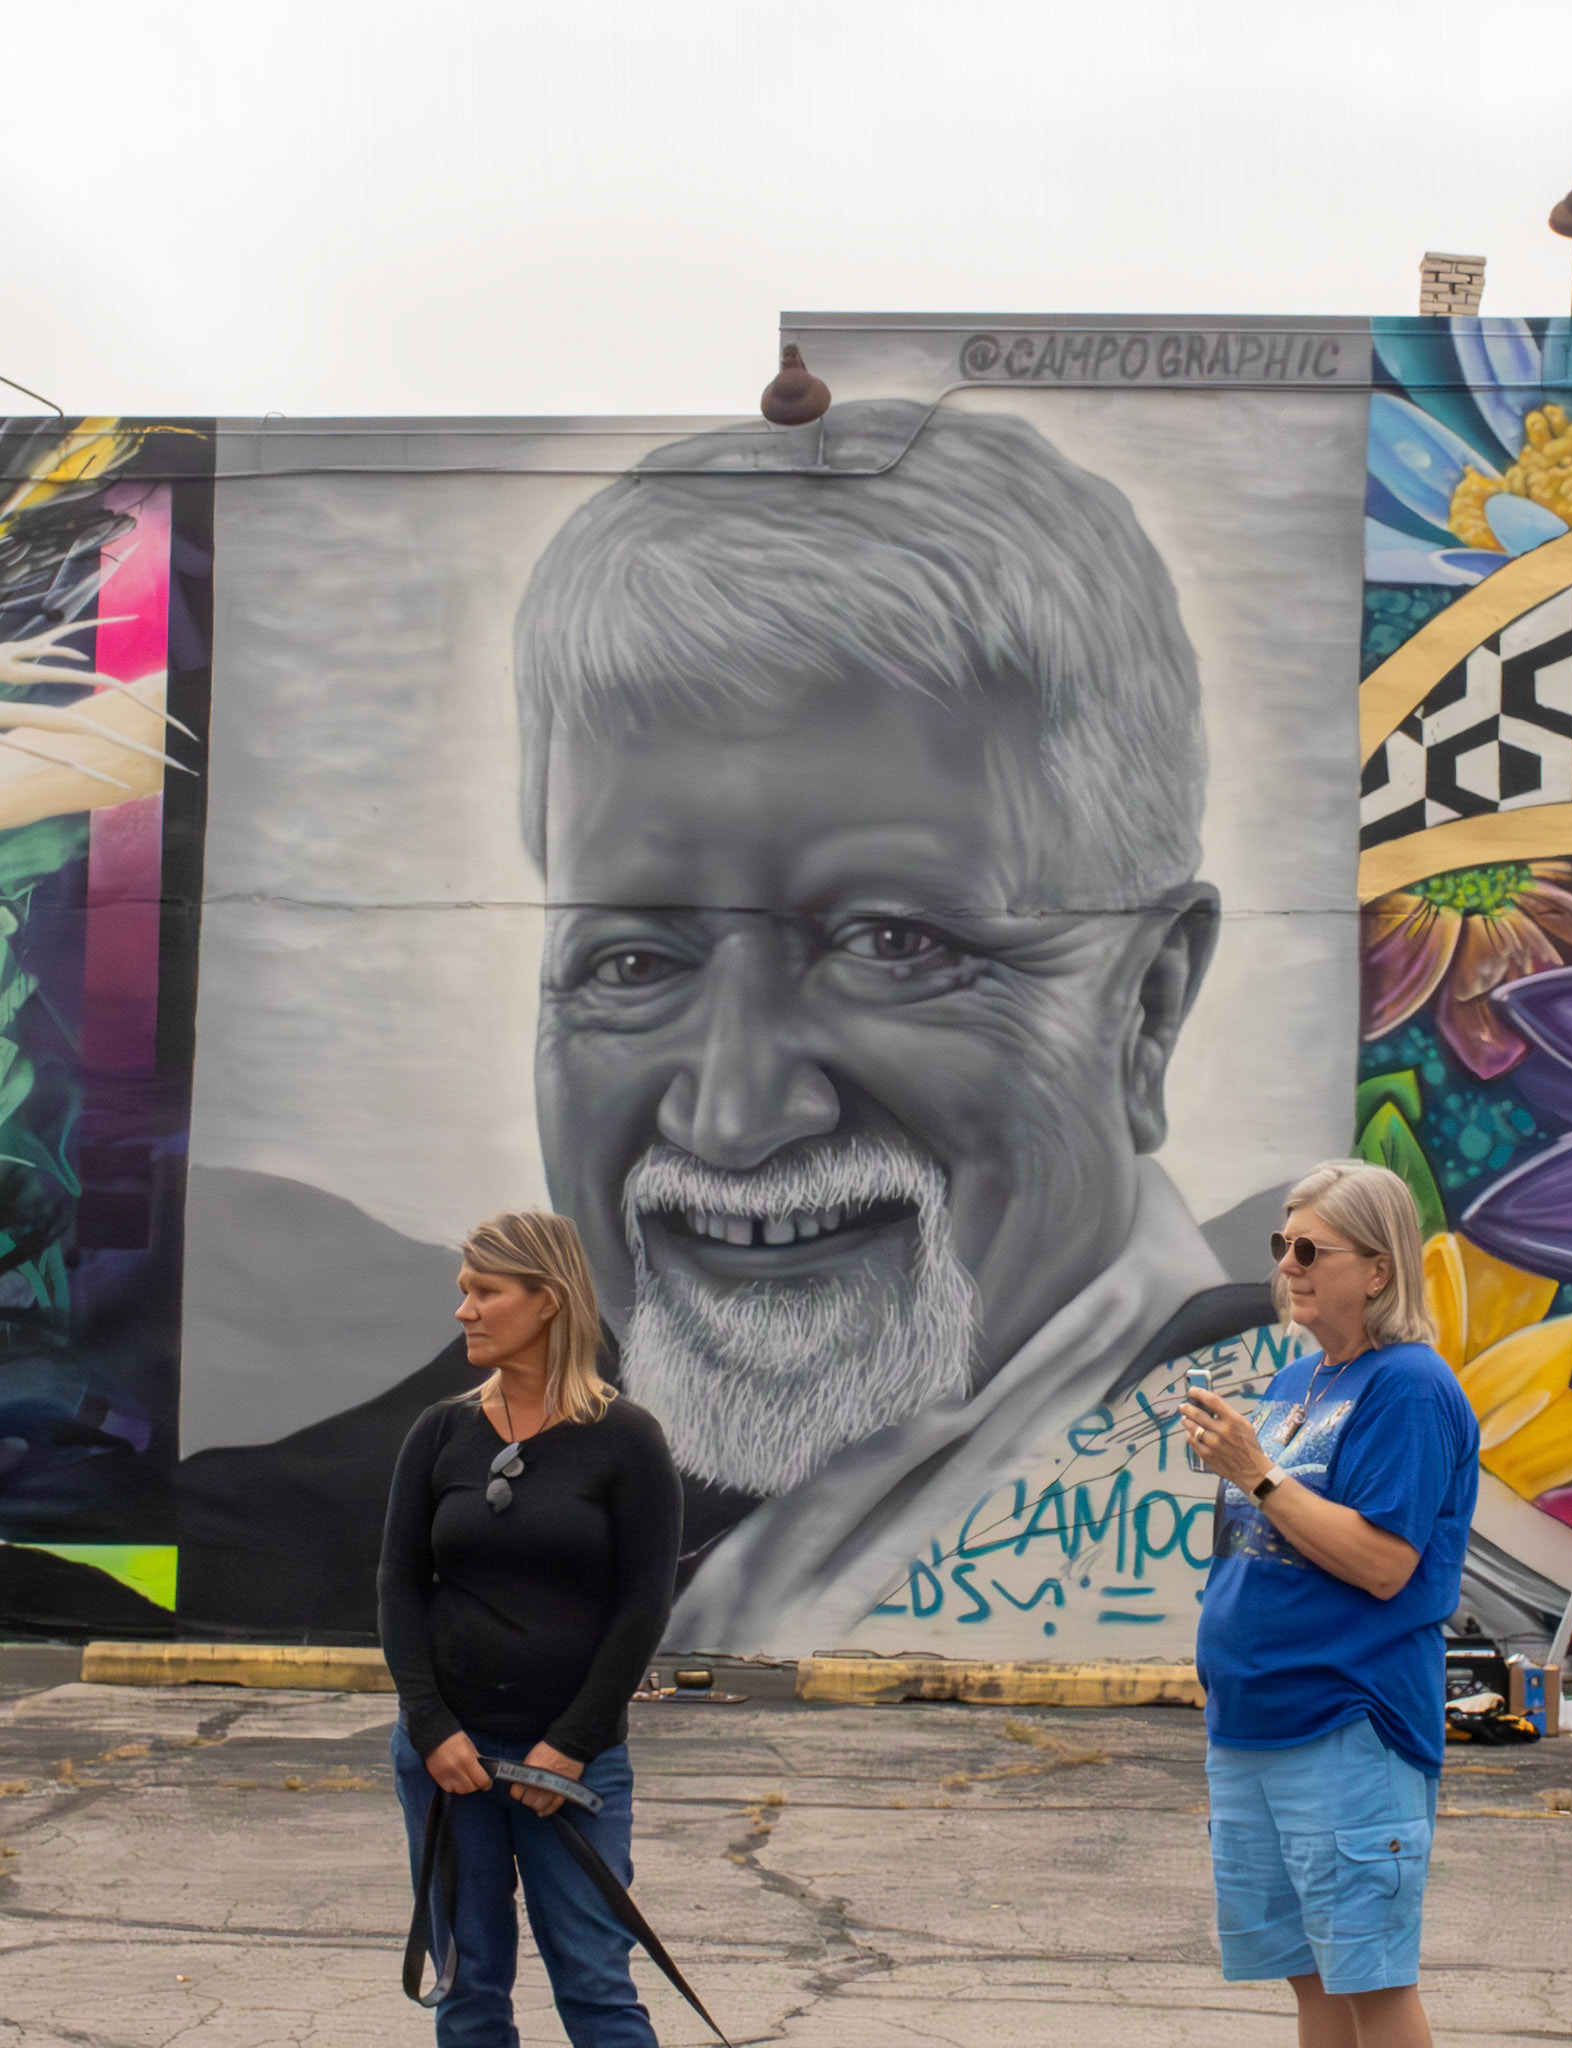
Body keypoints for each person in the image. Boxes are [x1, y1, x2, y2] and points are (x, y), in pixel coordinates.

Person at [513, 396, 1273, 1652]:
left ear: (1147, 1006)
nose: (733, 1114)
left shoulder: (1278, 1497)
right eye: (634, 960)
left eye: (892, 942)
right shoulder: (483, 1462)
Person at [1185, 1161, 1479, 2048]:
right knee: (1310, 1975)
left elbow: (1385, 1564)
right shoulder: (1297, 1382)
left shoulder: (1409, 1387)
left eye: (1312, 1249)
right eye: (1284, 1244)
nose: (1287, 1264)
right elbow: (1266, 1546)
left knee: (1370, 1979)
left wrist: (1257, 1473)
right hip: (1253, 1722)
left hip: (1348, 1723)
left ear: (1378, 1269)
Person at [378, 1209, 682, 2048]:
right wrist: (430, 1728)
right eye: (463, 1290)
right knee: (469, 1985)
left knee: (594, 1983)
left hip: (575, 1765)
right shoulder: (439, 1432)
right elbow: (399, 1583)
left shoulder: (626, 1440)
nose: (464, 1310)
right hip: (451, 1760)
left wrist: (572, 1745)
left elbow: (643, 1605)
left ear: (547, 1299)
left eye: (485, 1291)